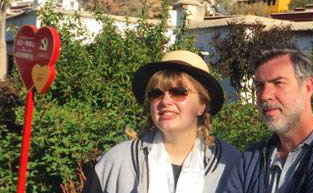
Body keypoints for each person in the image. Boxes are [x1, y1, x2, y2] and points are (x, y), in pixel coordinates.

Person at [83, 50, 241, 193]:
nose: (165, 101)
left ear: (202, 105)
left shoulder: (229, 164)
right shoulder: (116, 162)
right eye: (156, 93)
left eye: (178, 92)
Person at [224, 48, 313, 193]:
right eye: (260, 86)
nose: (265, 95)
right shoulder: (253, 157)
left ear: (308, 87)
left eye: (278, 83)